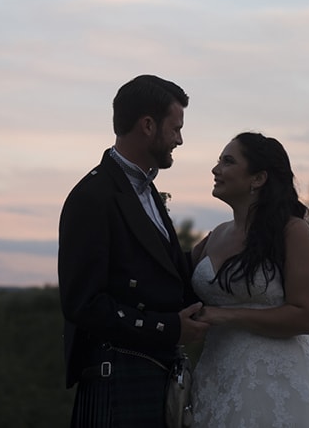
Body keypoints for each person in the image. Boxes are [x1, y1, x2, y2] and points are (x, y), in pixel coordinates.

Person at [189, 132, 309, 427]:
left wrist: (225, 315)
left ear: (258, 178)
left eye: (228, 161)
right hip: (214, 377)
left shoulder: (293, 232)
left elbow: (306, 317)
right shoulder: (215, 236)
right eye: (219, 161)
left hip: (274, 381)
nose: (216, 170)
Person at [58, 75, 208, 428]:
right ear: (147, 125)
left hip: (151, 375)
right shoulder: (92, 197)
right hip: (118, 376)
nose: (179, 139)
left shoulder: (146, 192)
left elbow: (157, 277)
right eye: (175, 128)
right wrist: (167, 328)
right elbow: (83, 304)